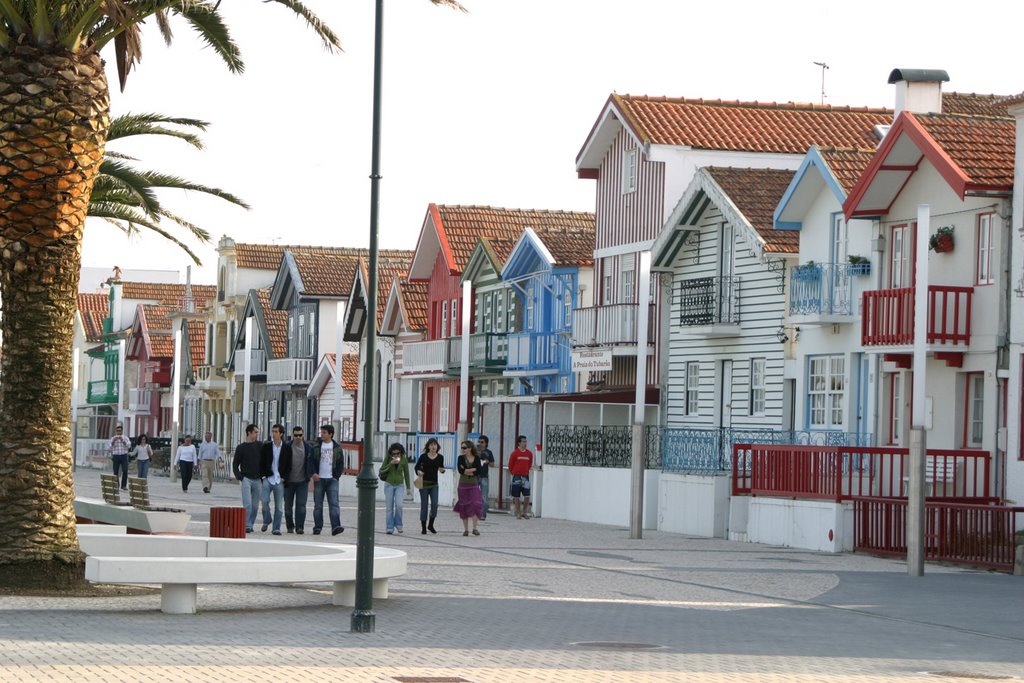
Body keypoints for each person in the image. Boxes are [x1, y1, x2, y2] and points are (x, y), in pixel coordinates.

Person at [232, 424, 270, 534]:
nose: (257, 434)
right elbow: (235, 464)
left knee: (255, 505)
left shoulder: (260, 446)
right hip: (246, 479)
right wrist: (240, 477)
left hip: (258, 479)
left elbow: (266, 460)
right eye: (256, 432)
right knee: (247, 503)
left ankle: (251, 523)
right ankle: (247, 525)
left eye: (258, 432)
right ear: (249, 432)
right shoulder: (241, 447)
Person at [311, 424, 345, 536]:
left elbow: (340, 464)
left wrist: (336, 477)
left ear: (330, 434)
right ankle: (317, 527)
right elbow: (310, 462)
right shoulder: (316, 447)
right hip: (319, 479)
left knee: (334, 504)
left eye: (324, 432)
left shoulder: (337, 448)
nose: (322, 435)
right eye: (322, 432)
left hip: (332, 479)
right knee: (318, 505)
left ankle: (335, 526)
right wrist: (313, 473)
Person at [280, 425, 314, 534]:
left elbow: (312, 463)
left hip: (302, 481)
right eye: (296, 435)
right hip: (288, 482)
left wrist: (310, 475)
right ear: (292, 435)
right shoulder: (287, 446)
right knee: (288, 507)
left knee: (301, 506)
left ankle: (300, 527)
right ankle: (290, 526)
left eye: (300, 435)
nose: (298, 437)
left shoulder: (308, 448)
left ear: (303, 435)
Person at [414, 438, 446, 534]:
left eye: (435, 445)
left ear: (437, 446)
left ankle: (431, 525)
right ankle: (423, 527)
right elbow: (417, 467)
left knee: (435, 505)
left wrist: (442, 470)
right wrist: (418, 471)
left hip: (434, 484)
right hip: (424, 484)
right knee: (424, 506)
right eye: (431, 445)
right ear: (428, 447)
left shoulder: (440, 457)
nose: (433, 447)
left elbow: (441, 467)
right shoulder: (423, 457)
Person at [379, 442, 411, 534]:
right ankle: (389, 527)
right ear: (391, 453)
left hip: (399, 485)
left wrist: (408, 487)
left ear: (401, 452)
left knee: (399, 505)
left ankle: (399, 525)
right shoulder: (388, 458)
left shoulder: (404, 459)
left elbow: (407, 474)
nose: (396, 455)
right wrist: (390, 464)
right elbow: (382, 470)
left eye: (398, 453)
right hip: (389, 484)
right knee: (389, 507)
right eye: (394, 454)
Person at [260, 424, 286, 535]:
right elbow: (261, 462)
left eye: (276, 431)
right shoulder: (266, 447)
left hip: (279, 479)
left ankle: (276, 528)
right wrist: (263, 476)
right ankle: (267, 519)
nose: (274, 433)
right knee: (264, 501)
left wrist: (284, 477)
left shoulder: (286, 448)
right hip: (268, 478)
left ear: (281, 433)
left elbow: (289, 465)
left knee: (279, 506)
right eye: (273, 431)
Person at [453, 440, 484, 536]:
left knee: (476, 504)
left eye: (465, 448)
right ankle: (466, 529)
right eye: (462, 448)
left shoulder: (477, 458)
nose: (463, 449)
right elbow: (461, 470)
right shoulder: (461, 458)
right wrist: (471, 469)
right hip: (463, 484)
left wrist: (468, 470)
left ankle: (475, 528)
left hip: (473, 484)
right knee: (464, 506)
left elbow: (478, 471)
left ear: (470, 448)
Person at [508, 435, 534, 519]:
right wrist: (514, 473)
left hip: (525, 477)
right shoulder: (514, 453)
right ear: (519, 443)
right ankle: (518, 512)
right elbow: (510, 465)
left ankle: (524, 512)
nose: (525, 443)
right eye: (523, 441)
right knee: (516, 496)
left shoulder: (529, 454)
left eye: (525, 441)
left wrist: (525, 472)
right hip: (517, 477)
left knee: (527, 495)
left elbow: (529, 464)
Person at [476, 435, 495, 520]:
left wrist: (487, 462)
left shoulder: (488, 452)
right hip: (475, 476)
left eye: (482, 442)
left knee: (484, 497)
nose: (480, 443)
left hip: (484, 476)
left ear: (486, 443)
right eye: (479, 442)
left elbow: (493, 464)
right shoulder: (475, 451)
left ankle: (483, 514)